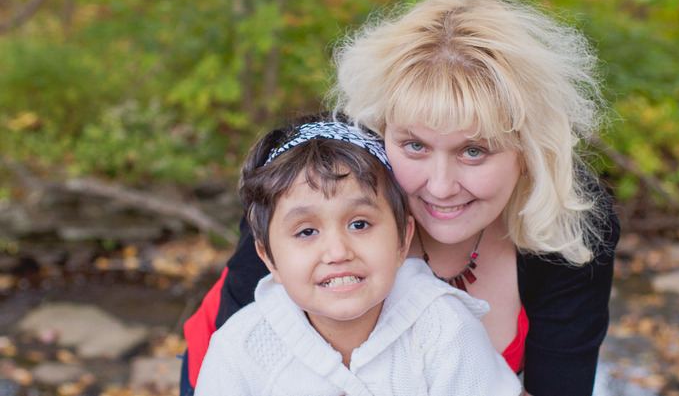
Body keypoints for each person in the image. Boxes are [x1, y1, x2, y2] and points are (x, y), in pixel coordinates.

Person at [182, 0, 620, 396]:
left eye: (474, 151)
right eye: (415, 146)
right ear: (379, 131)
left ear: (528, 151)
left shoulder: (573, 224)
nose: (441, 186)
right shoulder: (311, 191)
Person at [194, 117, 522, 395]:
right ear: (267, 258)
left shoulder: (445, 329)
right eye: (306, 232)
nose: (338, 252)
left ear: (402, 239)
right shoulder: (240, 350)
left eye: (359, 224)